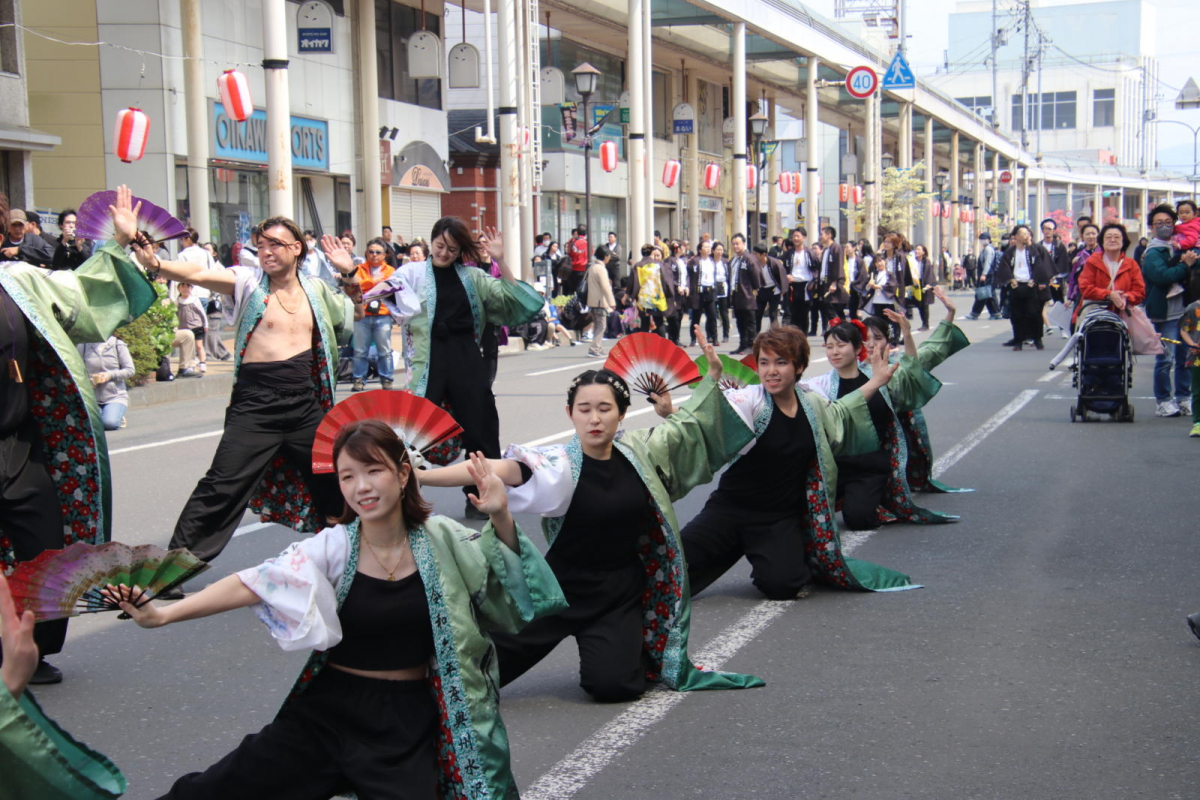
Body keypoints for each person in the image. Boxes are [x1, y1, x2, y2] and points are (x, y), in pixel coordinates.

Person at [109, 419, 566, 800]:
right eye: (348, 476)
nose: (361, 487)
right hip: (329, 711)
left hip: (405, 723)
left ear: (404, 474)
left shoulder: (445, 539)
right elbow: (253, 582)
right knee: (214, 790)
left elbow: (514, 602)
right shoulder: (334, 548)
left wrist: (502, 516)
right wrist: (165, 613)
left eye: (374, 470)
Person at [420, 331, 763, 700]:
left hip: (618, 595)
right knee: (473, 682)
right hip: (557, 593)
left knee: (616, 686)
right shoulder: (562, 463)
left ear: (622, 412)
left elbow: (690, 429)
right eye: (584, 409)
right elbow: (496, 468)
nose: (594, 419)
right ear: (570, 413)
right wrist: (421, 477)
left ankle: (633, 647)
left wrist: (710, 378)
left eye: (605, 409)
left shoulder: (642, 451)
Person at [133, 216, 363, 577]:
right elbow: (197, 274)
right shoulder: (248, 282)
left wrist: (349, 274)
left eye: (275, 244)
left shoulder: (317, 290)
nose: (266, 252)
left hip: (305, 404)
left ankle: (354, 555)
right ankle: (170, 571)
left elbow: (353, 316)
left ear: (296, 248)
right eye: (261, 245)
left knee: (334, 476)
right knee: (221, 486)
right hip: (255, 406)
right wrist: (158, 263)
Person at [0, 185, 157, 684]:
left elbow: (86, 295)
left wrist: (118, 244)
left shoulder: (18, 281)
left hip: (16, 444)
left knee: (45, 542)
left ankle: (30, 649)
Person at [683, 325, 918, 602]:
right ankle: (733, 543)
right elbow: (710, 419)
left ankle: (776, 550)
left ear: (799, 366)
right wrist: (677, 405)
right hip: (730, 509)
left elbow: (841, 414)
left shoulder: (811, 403)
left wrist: (876, 381)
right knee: (671, 563)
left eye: (781, 362)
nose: (771, 370)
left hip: (778, 518)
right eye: (764, 362)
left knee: (784, 585)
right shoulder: (749, 400)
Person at [362, 220, 542, 520]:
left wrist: (500, 259)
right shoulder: (412, 273)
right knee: (413, 432)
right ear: (431, 242)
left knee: (480, 428)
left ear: (461, 251)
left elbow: (516, 300)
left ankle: (481, 497)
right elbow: (376, 291)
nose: (444, 253)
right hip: (426, 361)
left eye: (452, 249)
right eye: (440, 246)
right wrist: (360, 282)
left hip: (466, 359)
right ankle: (405, 500)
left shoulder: (473, 277)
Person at [803, 314, 955, 530]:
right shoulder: (821, 384)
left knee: (858, 520)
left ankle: (876, 496)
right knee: (796, 513)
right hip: (833, 465)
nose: (834, 352)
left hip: (869, 465)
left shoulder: (882, 376)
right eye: (829, 347)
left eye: (841, 345)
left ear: (857, 349)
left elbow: (913, 374)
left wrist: (910, 332)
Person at [1141, 204, 1197, 419]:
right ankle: (1163, 401)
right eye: (1158, 223)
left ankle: (1184, 398)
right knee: (1166, 358)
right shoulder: (1153, 251)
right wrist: (1185, 266)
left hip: (1185, 311)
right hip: (1165, 314)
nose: (1164, 227)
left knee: (1186, 357)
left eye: (1168, 222)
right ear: (1152, 227)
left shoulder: (1180, 246)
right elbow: (1162, 276)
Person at [1075, 223, 1146, 330]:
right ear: (1102, 241)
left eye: (1117, 237)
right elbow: (1085, 287)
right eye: (1108, 237)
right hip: (1095, 319)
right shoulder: (1092, 262)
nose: (1112, 240)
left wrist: (1126, 297)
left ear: (1123, 241)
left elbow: (1140, 292)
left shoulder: (1131, 264)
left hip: (1124, 318)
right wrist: (1109, 295)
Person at [350, 238, 396, 392]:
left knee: (384, 350)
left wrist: (368, 283)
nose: (374, 255)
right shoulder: (358, 268)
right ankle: (358, 379)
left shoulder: (390, 271)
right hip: (362, 314)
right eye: (371, 252)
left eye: (378, 252)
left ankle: (386, 379)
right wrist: (374, 281)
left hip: (382, 314)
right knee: (360, 351)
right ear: (366, 253)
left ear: (384, 255)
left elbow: (389, 288)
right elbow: (355, 285)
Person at [996, 224, 1052, 350]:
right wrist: (1011, 279)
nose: (1025, 235)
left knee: (1034, 313)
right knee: (1017, 315)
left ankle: (1037, 338)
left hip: (1031, 285)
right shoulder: (1010, 252)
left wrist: (1035, 280)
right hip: (1016, 285)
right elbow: (1004, 267)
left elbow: (1040, 267)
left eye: (1027, 233)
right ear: (1016, 236)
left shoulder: (1034, 250)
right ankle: (1018, 341)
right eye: (1022, 233)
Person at [77, 335, 134, 431]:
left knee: (109, 423)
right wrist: (89, 381)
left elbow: (130, 370)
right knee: (88, 425)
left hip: (115, 396)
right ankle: (108, 415)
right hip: (92, 397)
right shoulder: (84, 345)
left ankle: (116, 417)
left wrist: (110, 375)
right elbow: (77, 369)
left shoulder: (117, 344)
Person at [727, 233, 763, 355]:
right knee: (740, 321)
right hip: (737, 295)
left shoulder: (749, 258)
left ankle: (751, 345)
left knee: (749, 321)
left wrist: (755, 289)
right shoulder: (734, 259)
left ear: (744, 244)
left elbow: (756, 276)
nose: (735, 246)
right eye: (733, 244)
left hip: (747, 294)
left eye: (738, 243)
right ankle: (742, 344)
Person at [784, 226, 819, 335]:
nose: (795, 238)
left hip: (806, 286)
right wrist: (786, 276)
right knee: (793, 313)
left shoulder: (810, 253)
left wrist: (814, 282)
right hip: (793, 285)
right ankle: (795, 337)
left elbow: (817, 269)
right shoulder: (789, 253)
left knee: (804, 313)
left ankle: (803, 336)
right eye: (794, 236)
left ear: (804, 237)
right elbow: (783, 268)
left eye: (798, 236)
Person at [628, 245, 668, 339]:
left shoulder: (638, 265)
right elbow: (664, 281)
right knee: (659, 322)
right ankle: (664, 344)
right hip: (657, 298)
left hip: (644, 299)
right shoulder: (658, 265)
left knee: (644, 323)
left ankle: (644, 346)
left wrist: (632, 296)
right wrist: (667, 294)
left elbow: (634, 282)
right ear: (652, 253)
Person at [686, 239, 721, 346]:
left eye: (708, 247)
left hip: (710, 290)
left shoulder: (711, 261)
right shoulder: (695, 261)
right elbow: (689, 276)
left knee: (712, 315)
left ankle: (714, 337)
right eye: (705, 247)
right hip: (699, 291)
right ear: (700, 250)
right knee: (696, 317)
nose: (708, 249)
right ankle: (693, 338)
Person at [814, 226, 848, 328]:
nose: (820, 237)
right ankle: (841, 332)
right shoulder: (825, 249)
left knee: (832, 310)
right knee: (831, 311)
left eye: (822, 234)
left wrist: (835, 282)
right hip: (824, 284)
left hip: (832, 285)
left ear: (829, 235)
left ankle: (841, 332)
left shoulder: (836, 248)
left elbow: (838, 266)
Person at [174, 282, 209, 375]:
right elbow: (175, 313)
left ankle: (202, 362)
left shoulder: (195, 300)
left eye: (188, 286)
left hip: (196, 326)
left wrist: (205, 324)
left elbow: (202, 313)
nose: (185, 288)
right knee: (188, 347)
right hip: (184, 328)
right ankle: (190, 364)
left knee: (198, 346)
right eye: (183, 286)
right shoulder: (177, 300)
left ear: (191, 288)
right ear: (178, 288)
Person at [1178, 298, 1200, 437]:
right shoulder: (1193, 308)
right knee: (1197, 392)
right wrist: (1192, 344)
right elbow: (1184, 330)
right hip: (1197, 358)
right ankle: (1198, 423)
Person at [753, 241, 786, 330]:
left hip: (774, 290)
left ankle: (775, 334)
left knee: (773, 314)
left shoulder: (774, 263)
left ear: (763, 254)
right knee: (758, 313)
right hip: (762, 290)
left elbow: (782, 277)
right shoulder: (755, 264)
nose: (754, 256)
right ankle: (755, 336)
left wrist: (783, 290)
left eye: (756, 254)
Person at [1067, 223, 1100, 306]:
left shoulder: (1104, 253)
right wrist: (1070, 297)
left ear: (1098, 235)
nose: (1091, 236)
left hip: (1100, 292)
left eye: (1093, 233)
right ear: (1082, 236)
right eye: (1087, 234)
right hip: (1081, 292)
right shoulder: (1079, 255)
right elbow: (1073, 277)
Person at [910, 244, 937, 331]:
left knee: (924, 305)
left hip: (925, 285)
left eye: (919, 250)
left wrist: (928, 284)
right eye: (916, 249)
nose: (916, 251)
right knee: (918, 304)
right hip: (916, 284)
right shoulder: (913, 261)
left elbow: (929, 273)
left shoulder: (926, 262)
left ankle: (925, 324)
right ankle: (922, 322)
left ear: (923, 252)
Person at [712, 241, 732, 343]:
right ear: (713, 251)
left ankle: (726, 334)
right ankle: (712, 335)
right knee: (712, 312)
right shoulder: (710, 261)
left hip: (723, 287)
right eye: (717, 250)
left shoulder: (725, 262)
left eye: (721, 250)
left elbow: (729, 276)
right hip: (713, 287)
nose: (719, 252)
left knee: (724, 312)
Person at [567, 225, 589, 295]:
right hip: (583, 268)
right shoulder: (587, 243)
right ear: (586, 232)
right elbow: (591, 253)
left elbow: (568, 252)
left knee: (572, 290)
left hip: (572, 268)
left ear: (577, 232)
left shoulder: (572, 242)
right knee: (581, 289)